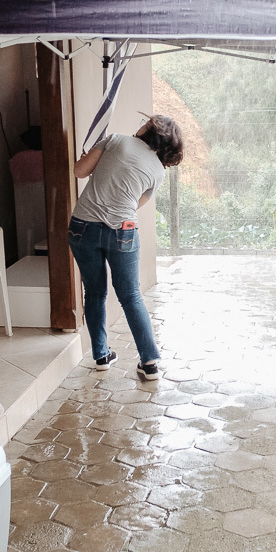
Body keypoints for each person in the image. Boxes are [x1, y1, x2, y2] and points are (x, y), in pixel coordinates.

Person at [69, 114, 183, 380]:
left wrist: (91, 160)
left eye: (145, 123)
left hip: (83, 227)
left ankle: (101, 356)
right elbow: (135, 205)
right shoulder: (157, 171)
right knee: (131, 295)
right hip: (123, 232)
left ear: (148, 129)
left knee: (95, 292)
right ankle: (150, 361)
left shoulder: (115, 140)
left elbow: (79, 171)